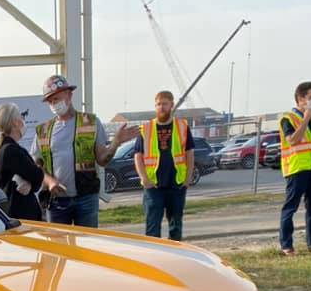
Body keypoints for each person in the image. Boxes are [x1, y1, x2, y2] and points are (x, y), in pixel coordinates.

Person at [31, 75, 139, 227]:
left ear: (69, 95)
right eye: (50, 101)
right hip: (57, 201)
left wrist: (115, 143)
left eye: (57, 98)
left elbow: (102, 159)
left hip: (86, 199)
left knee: (87, 245)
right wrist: (50, 182)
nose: (54, 104)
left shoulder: (91, 122)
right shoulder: (43, 130)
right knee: (60, 247)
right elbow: (37, 165)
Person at [133, 90, 195, 241]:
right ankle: (154, 258)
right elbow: (138, 156)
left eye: (165, 104)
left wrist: (188, 178)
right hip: (154, 186)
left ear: (172, 105)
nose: (161, 107)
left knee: (176, 226)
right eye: (158, 104)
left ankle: (175, 258)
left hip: (177, 185)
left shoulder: (182, 127)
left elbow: (190, 154)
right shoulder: (146, 129)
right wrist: (144, 179)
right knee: (152, 227)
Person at [277, 81, 311, 256]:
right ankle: (286, 245)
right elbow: (292, 140)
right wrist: (306, 118)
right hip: (296, 170)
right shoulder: (287, 118)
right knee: (290, 208)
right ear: (300, 98)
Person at [0, 103, 45, 220]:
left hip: (15, 212)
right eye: (21, 117)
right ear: (15, 122)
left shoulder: (4, 148)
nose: (23, 120)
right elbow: (37, 175)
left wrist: (30, 184)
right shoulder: (12, 151)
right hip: (22, 214)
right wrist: (37, 172)